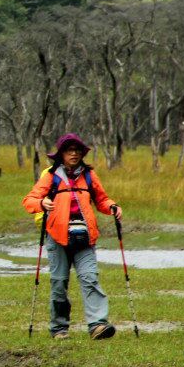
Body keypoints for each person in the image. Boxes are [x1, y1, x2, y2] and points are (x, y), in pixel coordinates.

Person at [22, 133, 124, 340]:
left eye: (77, 150)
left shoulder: (89, 175)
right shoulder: (50, 176)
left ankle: (98, 325)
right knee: (59, 282)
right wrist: (41, 204)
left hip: (85, 237)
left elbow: (102, 199)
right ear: (61, 154)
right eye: (69, 150)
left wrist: (112, 207)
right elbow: (30, 200)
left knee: (90, 278)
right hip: (57, 238)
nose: (74, 153)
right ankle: (59, 328)